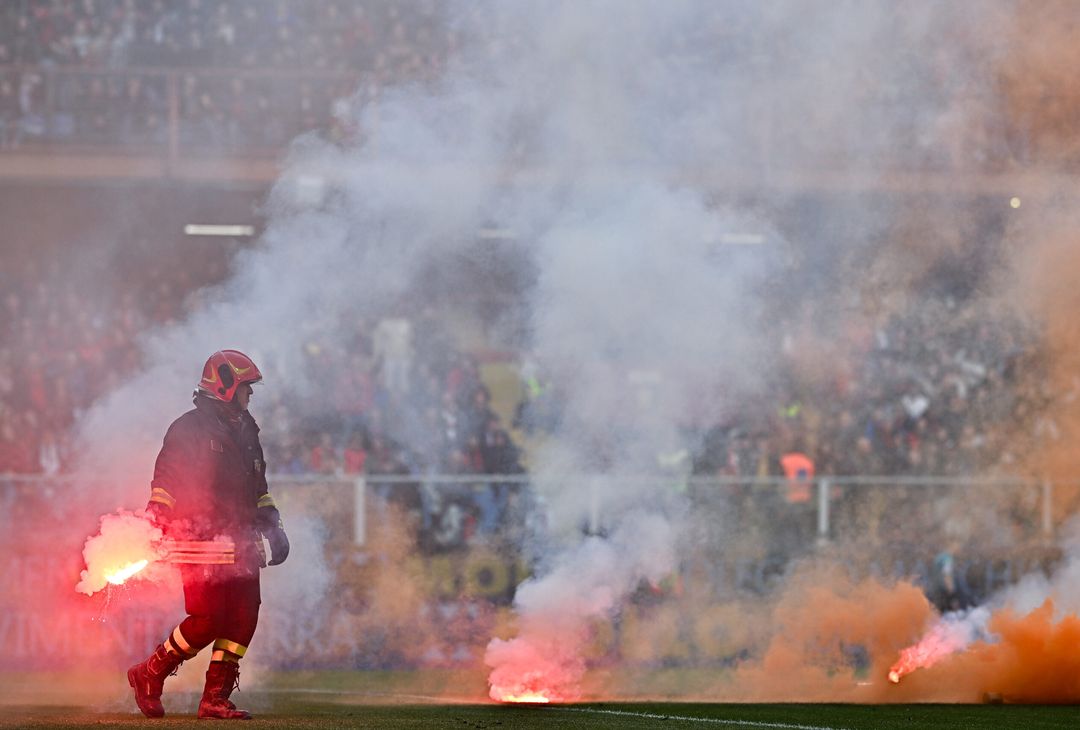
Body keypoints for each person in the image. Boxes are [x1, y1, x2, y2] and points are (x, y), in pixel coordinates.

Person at [127, 349, 290, 720]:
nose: (251, 395)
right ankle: (149, 673)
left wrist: (273, 524)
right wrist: (156, 518)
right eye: (247, 387)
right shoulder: (188, 428)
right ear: (226, 384)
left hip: (242, 538)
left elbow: (259, 486)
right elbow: (165, 480)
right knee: (209, 617)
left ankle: (214, 698)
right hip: (199, 537)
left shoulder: (247, 427)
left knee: (245, 615)